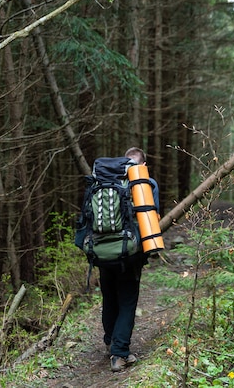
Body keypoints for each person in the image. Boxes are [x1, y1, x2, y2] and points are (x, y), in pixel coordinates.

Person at [99, 147, 160, 372]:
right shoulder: (146, 184)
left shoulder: (105, 184)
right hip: (130, 254)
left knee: (109, 297)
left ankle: (110, 341)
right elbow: (153, 216)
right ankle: (119, 354)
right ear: (143, 166)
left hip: (102, 252)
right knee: (127, 302)